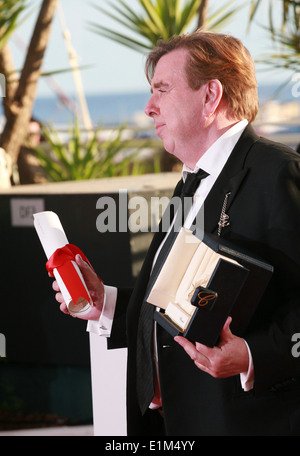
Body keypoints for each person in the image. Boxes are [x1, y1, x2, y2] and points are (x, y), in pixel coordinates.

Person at [52, 31, 300, 436]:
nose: (149, 107)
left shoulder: (278, 173)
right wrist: (106, 302)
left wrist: (254, 355)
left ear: (210, 96)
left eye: (162, 90)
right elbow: (183, 304)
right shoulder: (191, 181)